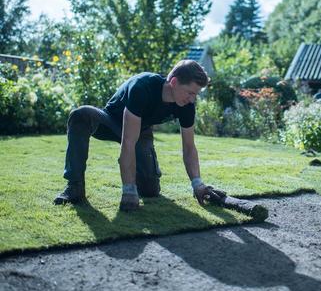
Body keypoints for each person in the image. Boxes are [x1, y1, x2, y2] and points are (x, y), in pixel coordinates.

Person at [54, 60, 212, 211]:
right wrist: (128, 190)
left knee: (150, 190)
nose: (192, 99)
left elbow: (189, 147)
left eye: (195, 95)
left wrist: (197, 184)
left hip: (141, 131)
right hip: (111, 122)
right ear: (174, 82)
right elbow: (128, 142)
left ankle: (143, 182)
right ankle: (75, 186)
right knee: (80, 115)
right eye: (190, 93)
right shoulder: (142, 87)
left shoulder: (187, 105)